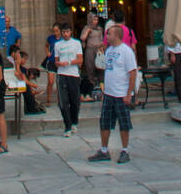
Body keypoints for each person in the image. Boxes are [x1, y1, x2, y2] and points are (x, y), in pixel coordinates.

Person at [88, 25, 137, 165]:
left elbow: (132, 72)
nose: (107, 37)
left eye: (109, 34)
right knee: (104, 122)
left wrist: (129, 94)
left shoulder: (126, 51)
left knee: (124, 123)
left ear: (117, 36)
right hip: (109, 94)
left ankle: (125, 150)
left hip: (121, 94)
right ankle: (104, 150)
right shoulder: (109, 51)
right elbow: (107, 70)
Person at [54, 20, 83, 137]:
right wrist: (60, 64)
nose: (65, 34)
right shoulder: (57, 45)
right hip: (62, 74)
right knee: (63, 102)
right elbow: (56, 61)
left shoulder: (76, 43)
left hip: (73, 73)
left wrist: (70, 62)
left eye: (67, 32)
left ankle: (74, 121)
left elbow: (80, 60)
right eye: (64, 32)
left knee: (74, 101)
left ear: (70, 32)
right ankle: (67, 125)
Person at [10, 45, 46, 114]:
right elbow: (19, 76)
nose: (19, 56)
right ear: (13, 53)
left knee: (26, 87)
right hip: (11, 84)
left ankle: (32, 107)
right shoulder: (13, 62)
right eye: (18, 53)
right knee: (26, 87)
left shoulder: (17, 63)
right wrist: (17, 64)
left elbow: (21, 76)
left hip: (18, 82)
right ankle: (31, 108)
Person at [80, 11, 105, 97]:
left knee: (101, 69)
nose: (96, 21)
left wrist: (102, 49)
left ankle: (102, 90)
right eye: (94, 19)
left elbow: (102, 40)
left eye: (97, 20)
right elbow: (82, 38)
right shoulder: (87, 28)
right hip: (90, 50)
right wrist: (88, 31)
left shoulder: (99, 29)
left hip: (98, 50)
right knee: (90, 69)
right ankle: (91, 90)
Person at [43, 22, 60, 105]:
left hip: (60, 62)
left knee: (59, 82)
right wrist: (48, 53)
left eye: (57, 30)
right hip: (51, 61)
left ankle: (59, 99)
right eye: (54, 31)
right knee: (50, 81)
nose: (55, 33)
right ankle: (48, 99)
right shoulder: (50, 38)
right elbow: (46, 46)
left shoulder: (63, 39)